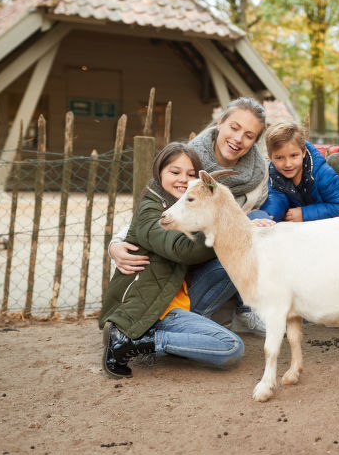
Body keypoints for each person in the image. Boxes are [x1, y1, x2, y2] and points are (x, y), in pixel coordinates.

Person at [108, 97, 271, 336]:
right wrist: (116, 243)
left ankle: (245, 310)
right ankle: (190, 321)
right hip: (190, 260)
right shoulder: (187, 164)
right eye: (234, 128)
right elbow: (154, 211)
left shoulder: (259, 173)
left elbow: (253, 214)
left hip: (220, 259)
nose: (238, 139)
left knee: (260, 217)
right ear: (220, 124)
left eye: (249, 135)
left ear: (255, 141)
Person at [100, 142, 244, 378]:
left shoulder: (184, 207)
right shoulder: (150, 210)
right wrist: (222, 225)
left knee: (233, 261)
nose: (182, 180)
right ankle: (132, 341)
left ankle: (186, 339)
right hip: (153, 309)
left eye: (190, 175)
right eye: (174, 172)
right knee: (231, 347)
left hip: (178, 297)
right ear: (160, 172)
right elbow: (182, 250)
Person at [257, 121, 339, 222]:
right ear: (271, 157)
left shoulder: (322, 174)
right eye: (279, 158)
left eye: (294, 156)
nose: (288, 164)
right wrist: (268, 216)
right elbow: (276, 198)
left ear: (303, 152)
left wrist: (304, 214)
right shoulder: (274, 175)